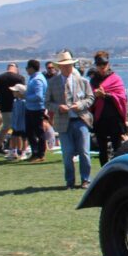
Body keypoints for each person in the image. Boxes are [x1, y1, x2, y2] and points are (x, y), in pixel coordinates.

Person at [46, 51, 95, 189]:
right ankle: (70, 181)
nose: (68, 68)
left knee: (84, 152)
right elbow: (47, 102)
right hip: (63, 123)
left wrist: (79, 105)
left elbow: (90, 98)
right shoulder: (52, 83)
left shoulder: (82, 81)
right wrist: (58, 107)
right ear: (59, 67)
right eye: (64, 66)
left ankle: (85, 179)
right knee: (67, 154)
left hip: (81, 120)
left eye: (69, 65)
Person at [90, 51, 128, 167]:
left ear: (108, 64)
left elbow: (122, 97)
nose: (102, 67)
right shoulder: (93, 81)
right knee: (102, 149)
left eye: (104, 64)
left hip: (114, 118)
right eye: (99, 65)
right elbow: (89, 98)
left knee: (117, 147)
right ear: (96, 65)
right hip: (100, 118)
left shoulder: (116, 78)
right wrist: (95, 95)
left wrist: (105, 95)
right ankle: (104, 171)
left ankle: (119, 170)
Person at [0, 62, 23, 153]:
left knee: (6, 126)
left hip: (4, 104)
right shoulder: (19, 78)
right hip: (17, 104)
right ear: (16, 69)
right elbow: (22, 90)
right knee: (18, 126)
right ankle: (18, 148)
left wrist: (2, 94)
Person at [24, 59, 48, 162]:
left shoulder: (37, 79)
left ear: (31, 68)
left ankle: (40, 153)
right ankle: (35, 152)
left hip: (36, 109)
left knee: (38, 132)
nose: (26, 70)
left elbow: (39, 96)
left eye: (27, 68)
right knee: (30, 132)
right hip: (31, 108)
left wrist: (25, 96)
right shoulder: (33, 78)